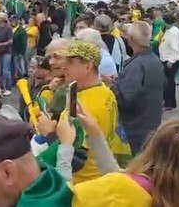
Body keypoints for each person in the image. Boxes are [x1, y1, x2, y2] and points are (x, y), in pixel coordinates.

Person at [71, 107, 179, 207]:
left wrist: (65, 146)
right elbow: (118, 178)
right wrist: (95, 133)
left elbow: (62, 197)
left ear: (152, 144)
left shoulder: (123, 188)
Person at [47, 40, 131, 182]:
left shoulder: (83, 106)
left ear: (87, 66)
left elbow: (77, 158)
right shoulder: (105, 91)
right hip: (101, 174)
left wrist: (47, 133)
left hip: (81, 183)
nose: (64, 65)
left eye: (71, 62)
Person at [108, 21, 165, 154]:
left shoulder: (137, 65)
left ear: (131, 39)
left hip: (134, 129)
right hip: (150, 123)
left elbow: (125, 100)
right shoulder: (154, 60)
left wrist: (111, 85)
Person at [158, 14, 179, 110]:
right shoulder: (169, 30)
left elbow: (176, 48)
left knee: (169, 82)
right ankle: (167, 100)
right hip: (165, 58)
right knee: (166, 81)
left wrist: (171, 60)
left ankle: (170, 102)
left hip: (171, 60)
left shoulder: (174, 32)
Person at [0, 13, 14, 96]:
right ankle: (1, 87)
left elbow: (11, 41)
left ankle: (8, 88)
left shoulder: (8, 28)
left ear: (2, 19)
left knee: (6, 71)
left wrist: (0, 45)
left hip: (7, 52)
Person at [10, 14, 28, 79]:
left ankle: (21, 78)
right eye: (11, 20)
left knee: (18, 67)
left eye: (14, 20)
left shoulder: (21, 30)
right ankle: (13, 79)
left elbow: (24, 42)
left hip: (18, 51)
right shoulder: (11, 29)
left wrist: (22, 52)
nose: (12, 22)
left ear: (17, 21)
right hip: (11, 50)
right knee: (12, 66)